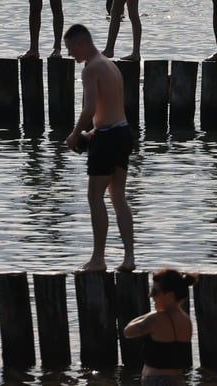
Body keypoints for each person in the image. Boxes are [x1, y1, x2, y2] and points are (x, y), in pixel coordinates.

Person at [64, 24, 135, 272]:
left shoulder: (91, 68)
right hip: (123, 131)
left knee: (95, 197)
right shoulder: (110, 64)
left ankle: (98, 259)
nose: (71, 55)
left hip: (107, 138)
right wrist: (94, 130)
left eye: (71, 49)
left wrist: (75, 134)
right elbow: (112, 107)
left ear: (81, 43)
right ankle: (129, 258)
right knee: (118, 197)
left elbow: (90, 109)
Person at [123, 268, 198, 385]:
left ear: (170, 295)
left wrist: (152, 313)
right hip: (178, 380)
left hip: (157, 381)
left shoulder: (156, 319)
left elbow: (128, 331)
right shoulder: (186, 320)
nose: (151, 296)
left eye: (155, 292)